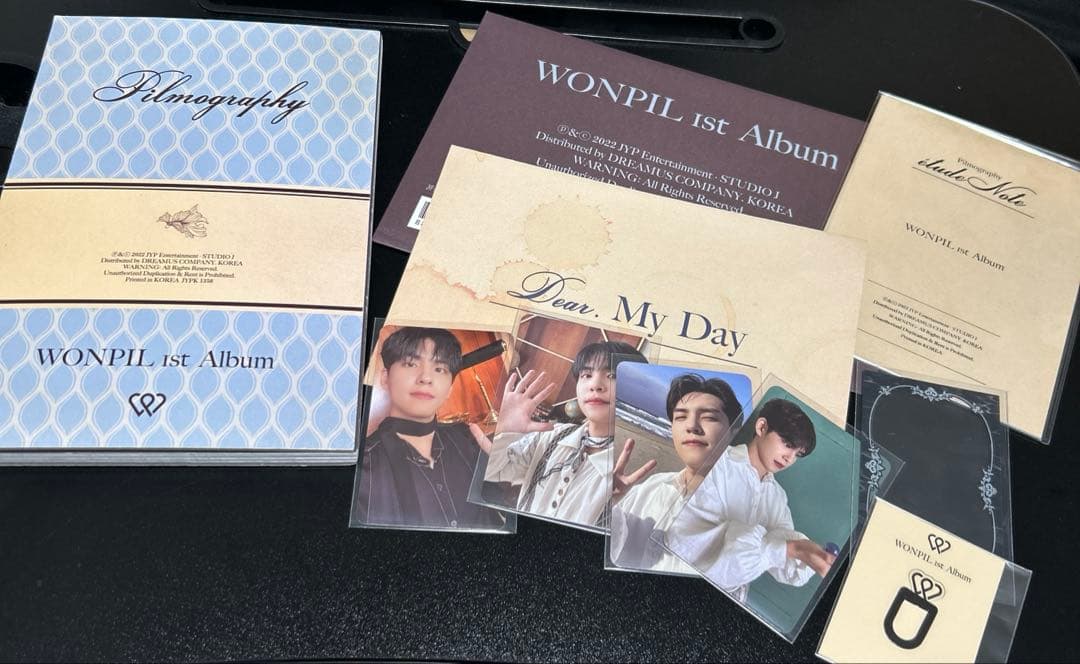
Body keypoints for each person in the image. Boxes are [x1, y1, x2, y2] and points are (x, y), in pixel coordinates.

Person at [666, 398, 837, 600]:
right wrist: (793, 548)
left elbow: (784, 564)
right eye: (787, 444)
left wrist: (809, 553)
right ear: (762, 427)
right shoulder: (718, 463)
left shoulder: (777, 497)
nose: (789, 458)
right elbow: (689, 543)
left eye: (797, 453)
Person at [483, 341, 654, 528]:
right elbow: (493, 471)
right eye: (586, 375)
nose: (595, 385)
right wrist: (505, 431)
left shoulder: (632, 471)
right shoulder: (551, 435)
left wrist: (609, 511)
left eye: (612, 375)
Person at [356, 326, 506, 530]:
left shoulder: (468, 438)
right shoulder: (362, 469)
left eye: (440, 369)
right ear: (385, 378)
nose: (426, 377)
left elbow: (504, 507)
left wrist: (510, 474)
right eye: (411, 363)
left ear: (449, 388)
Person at [609, 373, 743, 574]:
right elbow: (611, 544)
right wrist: (605, 504)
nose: (692, 426)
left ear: (734, 430)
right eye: (680, 417)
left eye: (709, 417)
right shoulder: (651, 488)